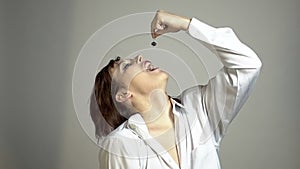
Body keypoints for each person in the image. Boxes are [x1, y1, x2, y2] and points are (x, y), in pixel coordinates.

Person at [91, 10, 262, 169]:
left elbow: (247, 65)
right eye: (126, 66)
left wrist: (186, 25)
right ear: (123, 95)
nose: (139, 57)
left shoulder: (199, 108)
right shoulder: (121, 144)